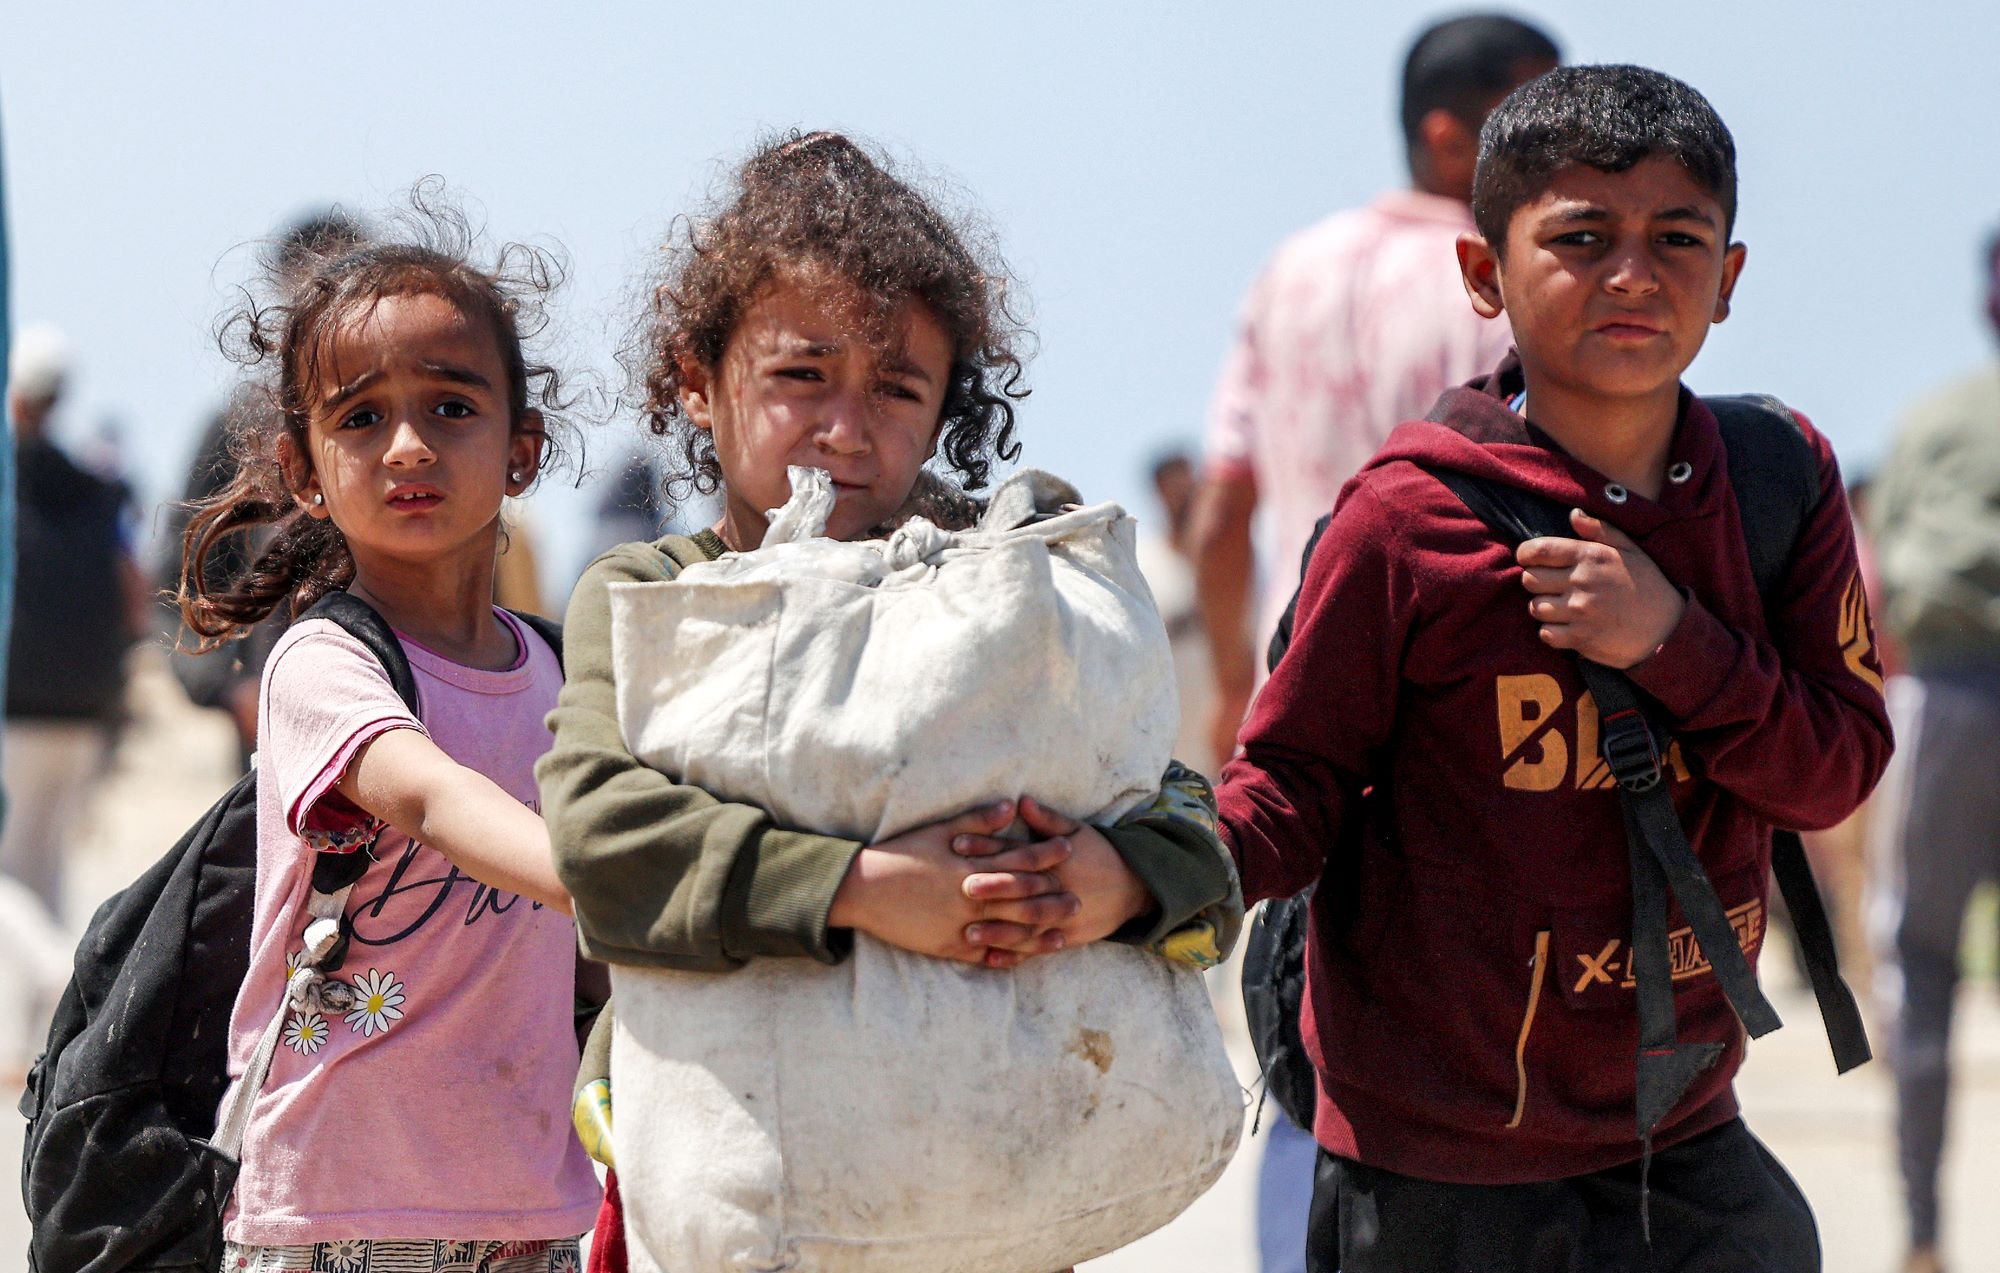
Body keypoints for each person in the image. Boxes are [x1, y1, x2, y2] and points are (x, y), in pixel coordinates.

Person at [1214, 65, 1893, 1270]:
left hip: (1681, 1139)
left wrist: (1673, 645)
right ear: (1485, 274)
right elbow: (1288, 789)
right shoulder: (1404, 523)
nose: (1631, 276)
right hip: (1438, 1171)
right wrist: (1142, 871)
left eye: (1675, 238)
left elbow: (1831, 771)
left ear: (1727, 279)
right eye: (1580, 238)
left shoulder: (1776, 479)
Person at [536, 130, 1241, 1272]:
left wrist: (1116, 877)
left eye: (896, 388)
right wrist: (864, 891)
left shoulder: (1003, 586)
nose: (846, 430)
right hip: (750, 1186)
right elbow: (602, 841)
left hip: (995, 1198)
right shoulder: (658, 600)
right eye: (800, 376)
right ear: (695, 381)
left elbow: (1179, 809)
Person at [175, 200, 599, 1271]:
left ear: (521, 449)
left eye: (451, 405)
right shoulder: (325, 663)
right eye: (360, 419)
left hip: (531, 1204)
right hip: (338, 1203)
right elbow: (429, 797)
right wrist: (628, 881)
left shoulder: (561, 674)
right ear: (305, 472)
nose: (407, 444)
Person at [1191, 12, 1559, 769]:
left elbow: (1223, 514)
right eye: (1536, 122)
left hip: (1290, 698)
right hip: (1458, 716)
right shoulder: (1508, 282)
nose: (1572, 145)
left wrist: (1234, 680)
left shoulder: (1290, 271)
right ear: (1449, 138)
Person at [1865, 230, 2000, 1273]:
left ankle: (1919, 1230)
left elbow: (1874, 593)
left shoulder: (1930, 421)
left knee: (1918, 963)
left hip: (1947, 700)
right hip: (1945, 685)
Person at [162, 211, 369, 770]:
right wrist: (228, 692)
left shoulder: (414, 426)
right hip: (268, 728)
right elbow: (180, 575)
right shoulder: (240, 423)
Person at [2, 324, 147, 918]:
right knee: (49, 866)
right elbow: (132, 586)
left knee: (10, 870)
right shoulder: (100, 489)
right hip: (87, 703)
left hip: (15, 705)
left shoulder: (14, 490)